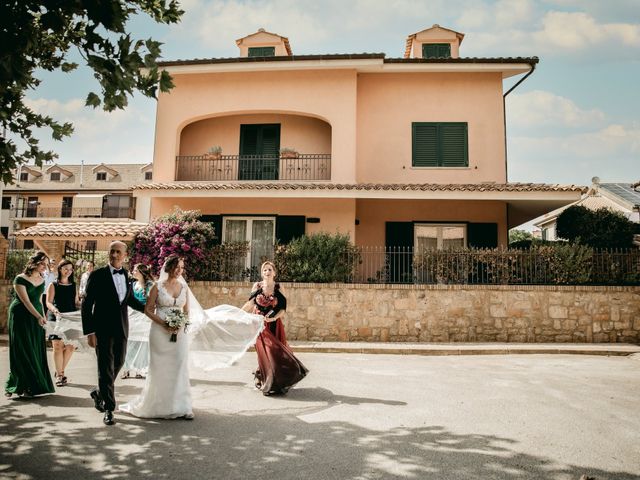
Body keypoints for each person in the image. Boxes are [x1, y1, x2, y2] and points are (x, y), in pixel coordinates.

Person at [120, 255, 194, 419]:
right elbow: (148, 310)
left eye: (181, 267)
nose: (179, 270)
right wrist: (164, 323)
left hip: (179, 333)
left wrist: (181, 323)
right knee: (160, 368)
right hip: (159, 332)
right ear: (168, 267)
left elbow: (187, 311)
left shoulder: (184, 287)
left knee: (179, 365)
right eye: (176, 266)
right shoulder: (157, 287)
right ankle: (160, 406)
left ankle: (182, 406)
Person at [81, 241, 144, 426]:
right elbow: (87, 305)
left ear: (125, 256)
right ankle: (109, 408)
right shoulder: (97, 275)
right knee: (105, 367)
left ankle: (99, 392)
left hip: (122, 328)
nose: (114, 255)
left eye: (118, 252)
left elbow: (129, 300)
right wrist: (90, 331)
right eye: (112, 251)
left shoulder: (126, 275)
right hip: (102, 329)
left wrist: (149, 309)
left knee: (119, 361)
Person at [244, 261, 308, 396]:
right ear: (262, 273)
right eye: (264, 270)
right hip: (259, 324)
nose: (267, 272)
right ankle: (265, 379)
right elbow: (250, 304)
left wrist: (272, 319)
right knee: (263, 351)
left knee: (275, 352)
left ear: (274, 273)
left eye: (270, 269)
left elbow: (283, 309)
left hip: (273, 324)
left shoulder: (279, 287)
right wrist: (238, 314)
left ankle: (274, 380)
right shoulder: (257, 286)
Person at [4, 251, 55, 398]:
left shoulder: (41, 279)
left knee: (34, 347)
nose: (45, 267)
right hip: (20, 316)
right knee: (22, 349)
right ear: (34, 262)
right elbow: (26, 301)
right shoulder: (20, 279)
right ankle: (18, 385)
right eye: (42, 264)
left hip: (36, 316)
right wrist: (38, 316)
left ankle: (33, 385)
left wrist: (43, 316)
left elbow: (39, 300)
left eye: (46, 265)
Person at [46, 259, 80, 387]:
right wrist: (54, 310)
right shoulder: (53, 285)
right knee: (58, 346)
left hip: (71, 318)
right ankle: (60, 375)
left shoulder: (74, 285)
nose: (68, 271)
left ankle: (58, 371)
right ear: (60, 269)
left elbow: (76, 302)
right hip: (57, 318)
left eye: (71, 269)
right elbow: (48, 302)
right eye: (66, 268)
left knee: (71, 347)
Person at [121, 263, 155, 379]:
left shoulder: (150, 285)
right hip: (132, 316)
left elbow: (153, 302)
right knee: (129, 343)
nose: (133, 271)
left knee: (142, 344)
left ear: (141, 272)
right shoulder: (132, 284)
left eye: (135, 270)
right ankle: (126, 369)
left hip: (144, 317)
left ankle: (140, 369)